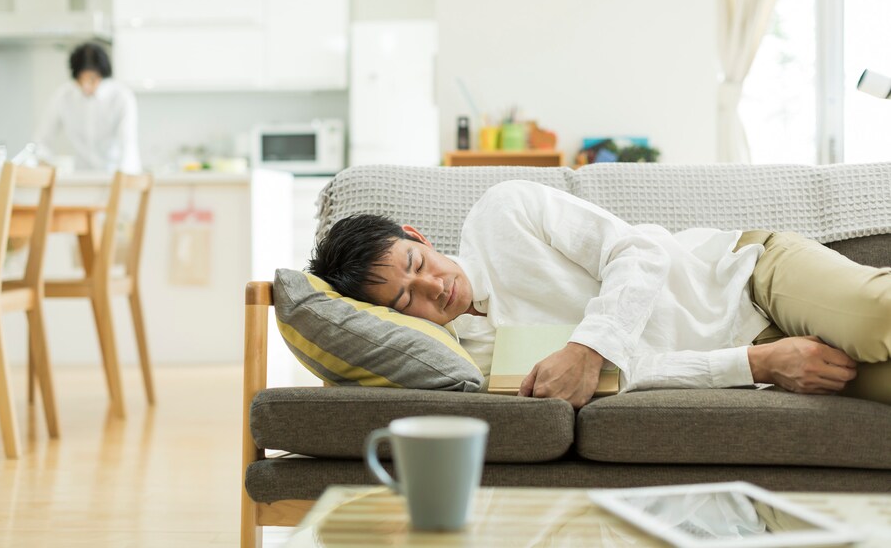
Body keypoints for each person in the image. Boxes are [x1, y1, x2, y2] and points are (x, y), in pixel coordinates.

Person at [308, 180, 891, 408]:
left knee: (875, 315)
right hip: (760, 350)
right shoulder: (473, 358)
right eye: (406, 301)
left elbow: (641, 252)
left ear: (419, 236)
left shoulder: (503, 213)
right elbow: (630, 373)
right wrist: (756, 362)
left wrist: (588, 346)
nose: (433, 288)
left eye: (417, 264)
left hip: (747, 275)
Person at [34, 42, 141, 173]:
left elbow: (128, 146)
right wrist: (44, 161)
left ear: (103, 75)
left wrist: (125, 180)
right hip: (80, 178)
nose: (86, 86)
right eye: (80, 79)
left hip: (113, 176)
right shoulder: (64, 97)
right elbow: (41, 140)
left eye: (92, 79)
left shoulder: (121, 97)